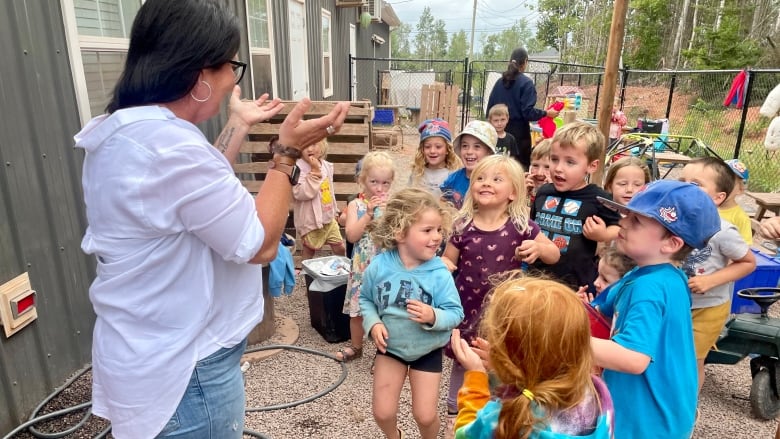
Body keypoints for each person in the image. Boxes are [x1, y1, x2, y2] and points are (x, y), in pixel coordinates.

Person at [73, 1, 350, 437]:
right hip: (188, 370)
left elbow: (199, 201)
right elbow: (258, 244)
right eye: (230, 67)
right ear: (200, 73)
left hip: (152, 354)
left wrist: (237, 124)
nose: (230, 83)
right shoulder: (170, 147)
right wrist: (286, 155)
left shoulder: (129, 132)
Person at [441, 154, 560, 438]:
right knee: (465, 358)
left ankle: (501, 415)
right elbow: (448, 261)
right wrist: (439, 268)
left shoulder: (522, 227)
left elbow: (554, 253)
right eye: (480, 178)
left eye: (497, 179)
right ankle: (456, 414)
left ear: (513, 192)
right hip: (468, 311)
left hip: (506, 315)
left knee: (504, 363)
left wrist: (539, 250)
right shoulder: (461, 226)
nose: (486, 183)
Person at [593, 180, 722, 438]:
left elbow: (633, 357)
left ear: (671, 244)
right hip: (663, 414)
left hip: (647, 421)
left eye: (637, 221)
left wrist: (560, 340)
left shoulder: (650, 287)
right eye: (627, 213)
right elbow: (598, 310)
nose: (625, 221)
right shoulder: (653, 276)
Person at [451, 277, 615, 439]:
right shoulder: (596, 393)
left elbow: (466, 434)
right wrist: (505, 370)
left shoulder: (505, 419)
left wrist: (476, 376)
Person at [359, 187, 464, 439]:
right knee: (382, 413)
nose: (437, 237)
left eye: (439, 229)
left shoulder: (438, 272)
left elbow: (455, 313)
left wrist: (433, 316)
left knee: (425, 415)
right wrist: (373, 323)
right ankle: (394, 436)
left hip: (427, 350)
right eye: (427, 230)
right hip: (391, 348)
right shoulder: (379, 266)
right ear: (400, 232)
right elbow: (365, 299)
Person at [678, 157, 756, 393]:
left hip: (708, 307)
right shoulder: (671, 222)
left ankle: (687, 410)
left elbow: (748, 263)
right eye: (682, 181)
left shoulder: (722, 231)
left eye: (696, 183)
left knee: (692, 360)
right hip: (676, 301)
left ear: (717, 197)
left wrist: (711, 280)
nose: (686, 187)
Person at [531, 121, 621, 290]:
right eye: (554, 159)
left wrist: (602, 234)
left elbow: (620, 227)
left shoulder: (598, 198)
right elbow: (533, 226)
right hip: (537, 279)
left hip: (576, 285)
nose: (558, 168)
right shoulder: (543, 192)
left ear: (591, 166)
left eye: (570, 162)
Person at [338, 151, 395, 362]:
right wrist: (369, 214)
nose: (379, 188)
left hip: (387, 267)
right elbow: (352, 235)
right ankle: (356, 346)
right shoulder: (356, 205)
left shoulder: (393, 205)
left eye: (385, 183)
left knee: (387, 310)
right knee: (358, 310)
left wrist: (391, 213)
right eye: (374, 182)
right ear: (362, 181)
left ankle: (383, 354)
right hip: (362, 268)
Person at [487, 47, 559, 170]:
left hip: (497, 134)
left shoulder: (500, 82)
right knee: (518, 170)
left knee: (496, 168)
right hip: (518, 136)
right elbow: (528, 113)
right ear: (525, 62)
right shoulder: (526, 83)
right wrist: (547, 113)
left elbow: (489, 110)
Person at [293, 139, 346, 260]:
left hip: (328, 219)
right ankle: (306, 275)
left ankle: (342, 271)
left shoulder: (326, 165)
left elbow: (330, 190)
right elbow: (301, 193)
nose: (310, 149)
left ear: (322, 146)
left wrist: (334, 210)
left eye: (313, 144)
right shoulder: (298, 168)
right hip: (311, 222)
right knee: (309, 251)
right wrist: (315, 172)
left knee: (340, 247)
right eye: (305, 144)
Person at [440, 120, 497, 209]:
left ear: (489, 152)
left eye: (477, 146)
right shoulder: (453, 179)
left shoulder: (494, 182)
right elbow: (443, 202)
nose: (469, 152)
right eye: (465, 146)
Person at [409, 118, 462, 198]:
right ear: (422, 149)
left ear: (448, 149)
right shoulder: (417, 173)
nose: (432, 151)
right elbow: (408, 197)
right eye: (427, 147)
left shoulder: (452, 175)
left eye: (438, 147)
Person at [720, 158, 753, 244]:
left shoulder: (741, 218)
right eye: (718, 181)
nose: (721, 186)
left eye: (728, 183)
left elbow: (745, 247)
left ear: (740, 189)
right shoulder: (706, 206)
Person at [524, 138, 552, 205]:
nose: (540, 173)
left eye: (547, 167)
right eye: (535, 165)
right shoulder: (524, 189)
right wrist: (521, 194)